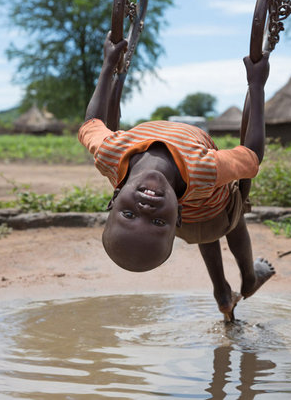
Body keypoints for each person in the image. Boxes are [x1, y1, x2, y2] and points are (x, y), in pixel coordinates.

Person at [78, 32, 274, 321]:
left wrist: (108, 65)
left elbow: (91, 124)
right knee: (233, 221)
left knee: (208, 231)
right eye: (157, 221)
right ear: (175, 217)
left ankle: (222, 292)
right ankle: (249, 277)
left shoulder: (111, 154)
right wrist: (256, 86)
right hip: (216, 212)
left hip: (197, 216)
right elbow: (252, 156)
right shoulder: (204, 169)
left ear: (114, 199)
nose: (145, 209)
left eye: (128, 215)